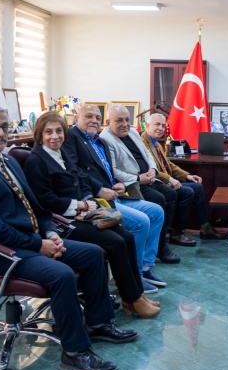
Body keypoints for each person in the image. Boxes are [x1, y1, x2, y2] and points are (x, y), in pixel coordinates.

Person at [0, 104, 137, 370]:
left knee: (92, 253)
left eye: (4, 127)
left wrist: (49, 232)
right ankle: (75, 353)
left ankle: (98, 324)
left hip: (26, 241)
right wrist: (38, 245)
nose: (0, 133)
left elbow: (35, 206)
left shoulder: (8, 161)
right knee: (61, 274)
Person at [23, 112, 161, 318]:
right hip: (61, 221)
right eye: (48, 132)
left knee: (127, 236)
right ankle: (132, 298)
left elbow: (82, 178)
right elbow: (44, 201)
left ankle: (135, 295)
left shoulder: (61, 153)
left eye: (59, 131)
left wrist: (89, 201)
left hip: (82, 212)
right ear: (39, 135)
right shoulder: (37, 160)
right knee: (116, 242)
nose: (55, 136)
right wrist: (79, 205)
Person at [63, 104, 169, 291]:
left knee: (156, 211)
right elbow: (75, 170)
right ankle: (135, 275)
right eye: (88, 116)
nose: (93, 121)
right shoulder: (72, 137)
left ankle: (145, 266)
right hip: (94, 200)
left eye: (97, 117)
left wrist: (118, 185)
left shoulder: (99, 141)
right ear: (76, 119)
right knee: (141, 222)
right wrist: (99, 189)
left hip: (115, 193)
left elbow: (108, 170)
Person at [101, 105, 194, 250]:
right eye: (119, 120)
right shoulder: (105, 139)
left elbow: (148, 155)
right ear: (108, 122)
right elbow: (112, 171)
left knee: (172, 193)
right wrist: (138, 178)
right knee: (160, 199)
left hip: (150, 178)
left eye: (127, 120)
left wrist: (153, 169)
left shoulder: (133, 132)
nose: (125, 124)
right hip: (131, 184)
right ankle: (159, 246)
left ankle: (162, 241)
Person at [141, 113, 226, 240]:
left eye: (163, 125)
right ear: (147, 125)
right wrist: (170, 179)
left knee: (197, 186)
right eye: (157, 124)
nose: (161, 128)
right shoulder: (142, 143)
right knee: (188, 191)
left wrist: (187, 176)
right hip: (155, 184)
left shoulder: (156, 143)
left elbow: (168, 164)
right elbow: (151, 170)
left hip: (165, 182)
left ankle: (205, 227)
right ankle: (177, 232)